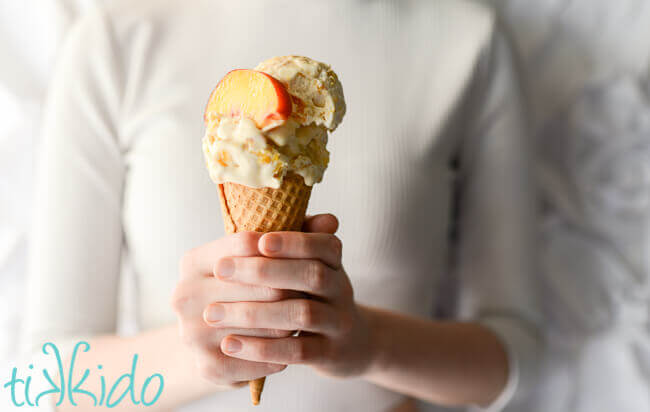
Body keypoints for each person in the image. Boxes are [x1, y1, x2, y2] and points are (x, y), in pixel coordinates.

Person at [23, 0, 540, 411]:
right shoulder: (114, 42)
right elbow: (48, 378)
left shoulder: (467, 40)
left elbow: (514, 360)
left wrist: (366, 342)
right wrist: (201, 350)